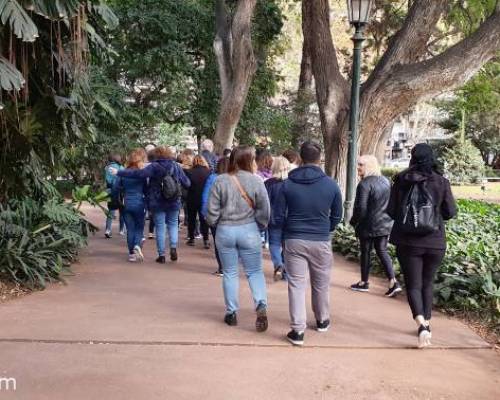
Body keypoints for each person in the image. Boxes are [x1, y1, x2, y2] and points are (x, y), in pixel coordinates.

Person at [387, 143, 457, 348]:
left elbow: (391, 211)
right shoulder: (441, 181)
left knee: (414, 285)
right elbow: (450, 212)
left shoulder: (401, 180)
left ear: (413, 157)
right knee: (428, 283)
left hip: (408, 242)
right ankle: (426, 323)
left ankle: (422, 324)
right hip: (435, 241)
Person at [276, 141, 342, 346]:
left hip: (294, 238)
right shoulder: (331, 184)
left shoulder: (287, 184)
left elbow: (278, 216)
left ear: (301, 159)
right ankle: (322, 320)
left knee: (296, 284)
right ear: (319, 159)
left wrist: (289, 229)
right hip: (320, 239)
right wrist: (325, 228)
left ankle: (298, 331)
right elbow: (337, 216)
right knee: (321, 283)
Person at [206, 146, 271, 332]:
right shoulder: (257, 181)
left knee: (230, 273)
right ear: (250, 161)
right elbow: (264, 209)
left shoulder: (220, 180)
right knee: (254, 272)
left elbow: (211, 211)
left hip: (225, 230)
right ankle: (260, 304)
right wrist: (259, 225)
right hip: (249, 229)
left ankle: (232, 312)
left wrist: (215, 223)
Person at [112, 146, 191, 263]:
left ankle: (162, 255)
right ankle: (173, 247)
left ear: (156, 155)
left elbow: (139, 174)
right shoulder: (175, 166)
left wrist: (119, 172)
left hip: (157, 202)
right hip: (174, 201)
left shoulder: (154, 166)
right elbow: (187, 183)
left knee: (160, 227)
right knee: (173, 224)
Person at [349, 155, 402, 297]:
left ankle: (364, 282)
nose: (358, 167)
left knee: (366, 252)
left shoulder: (365, 184)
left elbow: (361, 208)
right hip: (385, 223)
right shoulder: (385, 181)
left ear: (369, 166)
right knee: (382, 251)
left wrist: (353, 221)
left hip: (368, 224)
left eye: (361, 165)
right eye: (358, 164)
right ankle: (393, 281)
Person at [112, 149, 148, 262]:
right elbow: (147, 190)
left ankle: (132, 254)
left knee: (130, 229)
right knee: (139, 227)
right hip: (139, 203)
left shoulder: (123, 172)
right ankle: (137, 245)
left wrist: (116, 200)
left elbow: (115, 188)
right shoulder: (142, 173)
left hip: (125, 203)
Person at [201, 157, 229, 276]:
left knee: (219, 241)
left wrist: (204, 213)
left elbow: (205, 197)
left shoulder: (213, 178)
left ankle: (222, 267)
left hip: (216, 214)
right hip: (232, 215)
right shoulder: (236, 178)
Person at [265, 156, 291, 281]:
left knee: (274, 244)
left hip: (273, 219)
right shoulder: (291, 184)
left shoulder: (268, 184)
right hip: (288, 219)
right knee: (287, 247)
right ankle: (285, 271)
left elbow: (265, 203)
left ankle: (278, 264)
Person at [185, 155, 211, 248]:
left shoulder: (189, 172)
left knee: (191, 219)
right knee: (203, 219)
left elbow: (186, 185)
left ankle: (191, 238)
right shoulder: (209, 172)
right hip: (204, 198)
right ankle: (206, 240)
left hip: (192, 198)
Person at [104, 153, 125, 238]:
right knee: (122, 211)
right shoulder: (121, 168)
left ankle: (108, 230)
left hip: (110, 190)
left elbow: (107, 180)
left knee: (111, 211)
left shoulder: (106, 168)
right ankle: (121, 230)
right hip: (120, 191)